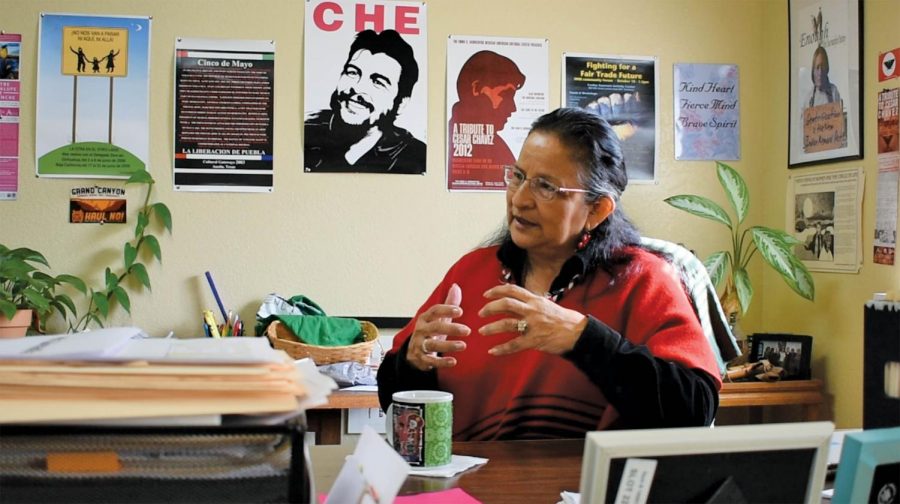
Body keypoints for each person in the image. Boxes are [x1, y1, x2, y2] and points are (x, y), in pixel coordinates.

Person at [377, 107, 721, 441]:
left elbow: (695, 410)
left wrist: (582, 339)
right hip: (472, 488)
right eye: (518, 176)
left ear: (597, 209)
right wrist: (410, 362)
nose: (520, 200)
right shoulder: (471, 272)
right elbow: (393, 401)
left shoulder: (643, 279)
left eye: (546, 187)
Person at [304, 29, 425, 174]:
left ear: (400, 104)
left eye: (378, 82)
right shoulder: (306, 129)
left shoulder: (415, 158)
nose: (357, 87)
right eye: (353, 72)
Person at [447, 51, 525, 186]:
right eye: (506, 95)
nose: (513, 108)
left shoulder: (499, 148)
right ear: (476, 89)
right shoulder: (446, 139)